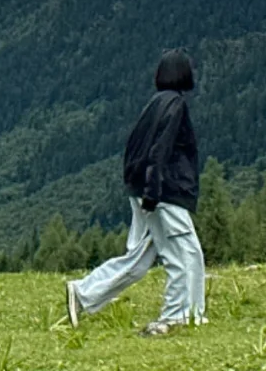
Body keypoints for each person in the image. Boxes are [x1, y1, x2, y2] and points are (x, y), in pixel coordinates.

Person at [66, 49, 206, 336]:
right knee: (185, 253)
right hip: (165, 191)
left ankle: (84, 293)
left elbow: (136, 147)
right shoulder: (175, 105)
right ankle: (181, 315)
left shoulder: (154, 104)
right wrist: (154, 192)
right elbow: (161, 150)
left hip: (144, 189)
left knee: (141, 256)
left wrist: (140, 190)